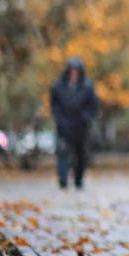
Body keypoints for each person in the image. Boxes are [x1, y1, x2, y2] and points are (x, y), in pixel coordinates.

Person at [49, 58, 98, 190]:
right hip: (64, 125)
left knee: (80, 154)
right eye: (72, 71)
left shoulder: (87, 86)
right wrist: (59, 118)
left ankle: (78, 180)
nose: (74, 74)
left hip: (81, 126)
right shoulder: (58, 86)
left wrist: (85, 117)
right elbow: (54, 105)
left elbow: (93, 105)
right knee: (63, 152)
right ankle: (63, 180)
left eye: (76, 72)